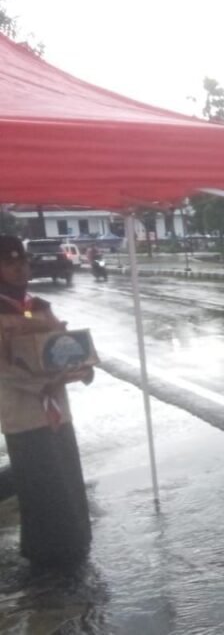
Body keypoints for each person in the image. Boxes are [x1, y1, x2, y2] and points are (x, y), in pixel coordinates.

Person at [0, 235, 93, 566]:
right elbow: (5, 371)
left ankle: (75, 543)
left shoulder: (39, 306)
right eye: (9, 263)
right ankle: (46, 557)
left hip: (57, 415)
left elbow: (61, 347)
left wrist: (82, 367)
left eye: (22, 262)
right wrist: (46, 383)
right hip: (24, 417)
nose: (19, 268)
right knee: (41, 487)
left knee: (67, 480)